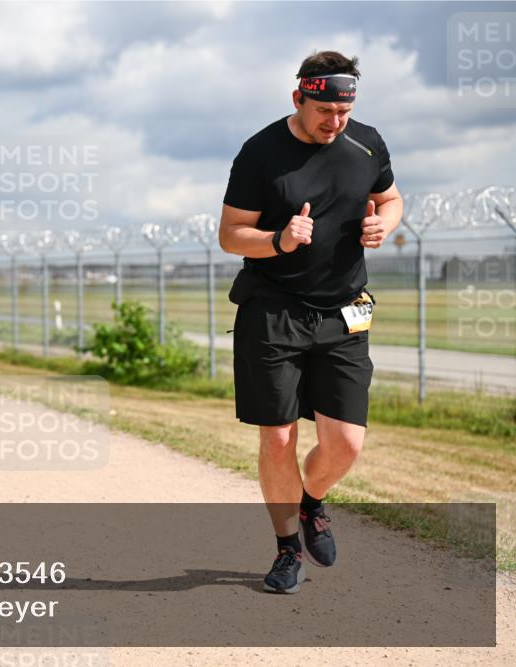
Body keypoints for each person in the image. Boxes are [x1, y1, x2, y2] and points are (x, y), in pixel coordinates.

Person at [219, 50, 403, 594]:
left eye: (344, 111)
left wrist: (384, 226)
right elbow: (231, 235)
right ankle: (285, 552)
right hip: (273, 309)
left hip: (344, 311)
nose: (335, 122)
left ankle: (311, 501)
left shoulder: (367, 141)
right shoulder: (260, 153)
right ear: (298, 97)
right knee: (277, 439)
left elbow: (389, 198)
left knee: (346, 442)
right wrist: (279, 240)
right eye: (324, 109)